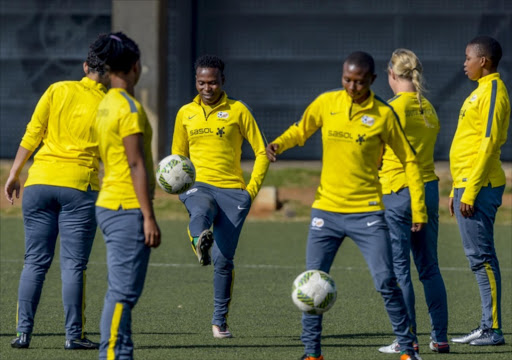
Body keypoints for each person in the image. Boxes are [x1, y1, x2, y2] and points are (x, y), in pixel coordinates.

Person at [266, 51, 426, 360]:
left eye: (360, 82)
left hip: (366, 213)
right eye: (347, 80)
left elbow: (410, 160)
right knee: (313, 285)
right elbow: (301, 129)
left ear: (373, 80)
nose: (352, 87)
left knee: (385, 281)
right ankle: (312, 354)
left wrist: (418, 209)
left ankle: (408, 350)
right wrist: (279, 143)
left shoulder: (383, 114)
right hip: (325, 211)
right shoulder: (327, 103)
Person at [4, 39, 109, 350]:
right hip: (79, 186)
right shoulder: (113, 103)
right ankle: (73, 336)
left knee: (34, 263)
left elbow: (33, 131)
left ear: (85, 67)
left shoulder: (57, 89)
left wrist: (14, 172)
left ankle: (23, 334)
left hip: (39, 183)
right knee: (74, 266)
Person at [171, 54, 268, 338]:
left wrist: (251, 191)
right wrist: (178, 188)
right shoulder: (185, 113)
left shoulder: (239, 111)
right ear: (196, 82)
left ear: (222, 81)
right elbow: (178, 157)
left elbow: (262, 151)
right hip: (198, 186)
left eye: (212, 82)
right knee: (201, 209)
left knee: (224, 260)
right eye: (201, 82)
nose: (207, 88)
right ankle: (198, 239)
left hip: (233, 194)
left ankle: (219, 322)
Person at [92, 32, 161, 359]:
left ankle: (122, 353)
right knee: (123, 293)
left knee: (119, 291)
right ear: (135, 67)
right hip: (126, 207)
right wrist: (148, 216)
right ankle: (112, 354)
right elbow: (135, 164)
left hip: (109, 203)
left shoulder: (105, 103)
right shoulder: (129, 109)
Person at [377, 49, 449, 354]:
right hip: (428, 190)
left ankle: (407, 340)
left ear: (393, 75)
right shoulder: (428, 108)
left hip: (398, 191)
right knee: (429, 267)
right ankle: (440, 338)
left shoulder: (391, 109)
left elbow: (376, 153)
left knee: (399, 270)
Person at [449, 35, 510, 346]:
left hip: (480, 187)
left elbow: (487, 146)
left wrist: (469, 192)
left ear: (483, 61)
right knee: (477, 258)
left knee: (483, 258)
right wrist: (455, 189)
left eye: (468, 58)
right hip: (466, 185)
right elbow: (469, 144)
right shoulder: (479, 92)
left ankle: (493, 329)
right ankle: (487, 325)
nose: (464, 63)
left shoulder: (494, 92)